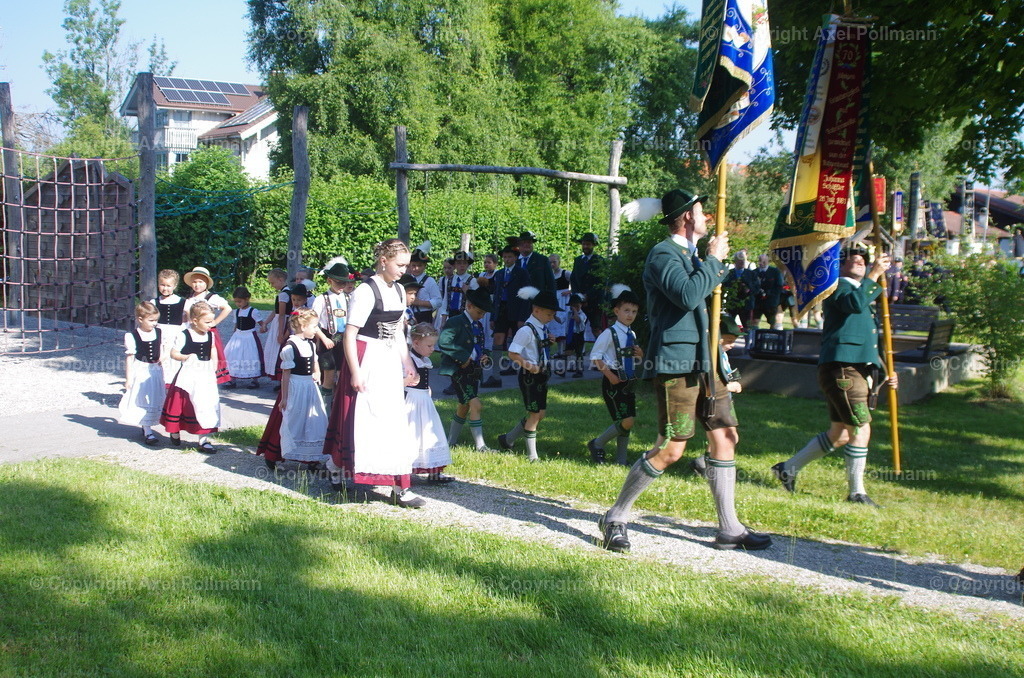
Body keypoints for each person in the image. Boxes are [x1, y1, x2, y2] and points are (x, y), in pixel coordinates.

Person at [597, 188, 771, 554]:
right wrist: (713, 261)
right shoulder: (663, 255)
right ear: (688, 216)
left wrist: (711, 262)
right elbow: (688, 295)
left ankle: (730, 528)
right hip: (677, 363)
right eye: (703, 212)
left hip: (706, 363)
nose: (709, 217)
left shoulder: (691, 256)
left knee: (725, 438)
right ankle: (615, 516)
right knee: (672, 448)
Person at [771, 246, 898, 507]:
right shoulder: (838, 286)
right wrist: (874, 275)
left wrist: (886, 371)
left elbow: (869, 341)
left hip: (853, 367)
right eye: (853, 259)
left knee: (840, 433)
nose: (860, 262)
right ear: (840, 266)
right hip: (843, 368)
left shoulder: (862, 291)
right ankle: (857, 493)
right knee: (861, 427)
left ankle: (787, 469)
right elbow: (852, 305)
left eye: (864, 261)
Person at [322, 239, 423, 508]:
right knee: (358, 417)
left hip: (389, 359)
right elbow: (350, 334)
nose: (404, 270)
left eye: (406, 265)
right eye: (400, 264)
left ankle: (400, 485)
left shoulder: (400, 290)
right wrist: (354, 372)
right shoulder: (365, 291)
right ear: (383, 261)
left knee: (393, 420)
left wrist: (408, 363)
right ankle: (336, 466)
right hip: (366, 358)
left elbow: (399, 331)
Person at [257, 308, 330, 468]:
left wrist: (317, 372)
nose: (316, 330)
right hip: (294, 388)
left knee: (313, 419)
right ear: (303, 327)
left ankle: (311, 458)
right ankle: (274, 455)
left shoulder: (310, 344)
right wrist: (284, 397)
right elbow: (286, 374)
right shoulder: (290, 347)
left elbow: (315, 360)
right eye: (314, 327)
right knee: (290, 420)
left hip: (309, 387)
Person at [497, 287, 559, 461]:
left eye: (553, 314)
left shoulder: (541, 328)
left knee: (540, 414)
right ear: (536, 310)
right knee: (534, 414)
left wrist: (547, 342)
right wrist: (530, 367)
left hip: (541, 374)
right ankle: (532, 456)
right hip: (530, 376)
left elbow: (535, 347)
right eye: (549, 314)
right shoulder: (526, 330)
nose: (551, 318)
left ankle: (508, 439)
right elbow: (512, 353)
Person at [587, 285, 643, 465]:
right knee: (625, 421)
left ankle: (621, 460)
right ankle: (597, 444)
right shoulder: (608, 333)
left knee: (627, 422)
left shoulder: (631, 334)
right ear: (616, 311)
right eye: (626, 310)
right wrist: (609, 375)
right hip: (613, 382)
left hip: (628, 382)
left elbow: (633, 360)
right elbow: (595, 356)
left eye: (634, 311)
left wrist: (640, 356)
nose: (630, 315)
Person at [439, 279, 495, 452]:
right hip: (459, 370)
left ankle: (451, 442)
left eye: (484, 313)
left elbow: (480, 344)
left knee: (464, 406)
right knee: (476, 404)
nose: (481, 316)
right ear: (469, 306)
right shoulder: (455, 322)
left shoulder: (477, 324)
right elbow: (444, 342)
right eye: (479, 312)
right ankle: (481, 446)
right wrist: (462, 357)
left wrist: (485, 354)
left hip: (473, 371)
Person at [160, 301, 220, 453]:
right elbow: (174, 353)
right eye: (207, 322)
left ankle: (203, 439)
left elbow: (213, 350)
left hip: (205, 375)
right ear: (194, 321)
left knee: (205, 404)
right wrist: (186, 357)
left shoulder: (210, 336)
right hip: (188, 375)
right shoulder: (184, 335)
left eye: (212, 321)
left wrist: (214, 367)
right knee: (184, 403)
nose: (211, 324)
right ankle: (175, 429)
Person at [407, 322, 454, 482]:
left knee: (431, 433)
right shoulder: (408, 360)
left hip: (425, 400)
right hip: (412, 401)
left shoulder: (424, 360)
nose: (432, 349)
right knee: (413, 433)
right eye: (429, 345)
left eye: (433, 345)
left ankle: (434, 470)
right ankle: (405, 469)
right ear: (416, 343)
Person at [118, 301, 165, 445]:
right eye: (151, 320)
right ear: (140, 319)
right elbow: (130, 358)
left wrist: (162, 358)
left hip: (155, 370)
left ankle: (152, 423)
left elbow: (161, 346)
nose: (154, 323)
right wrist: (128, 379)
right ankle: (147, 429)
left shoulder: (158, 332)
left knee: (156, 397)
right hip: (141, 370)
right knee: (143, 398)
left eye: (156, 320)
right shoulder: (133, 336)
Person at [311, 258, 355, 403]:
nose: (342, 286)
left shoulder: (349, 298)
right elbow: (313, 323)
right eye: (339, 282)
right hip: (327, 339)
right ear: (329, 281)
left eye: (345, 282)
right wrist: (324, 338)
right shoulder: (321, 299)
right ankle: (325, 410)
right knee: (328, 375)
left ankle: (339, 409)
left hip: (344, 340)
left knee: (343, 375)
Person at [182, 266, 232, 384]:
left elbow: (227, 308)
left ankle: (209, 378)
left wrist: (214, 322)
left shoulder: (211, 297)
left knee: (208, 356)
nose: (197, 285)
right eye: (194, 282)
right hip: (191, 331)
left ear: (206, 283)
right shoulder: (190, 298)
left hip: (206, 332)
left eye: (200, 282)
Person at [490, 244, 530, 378]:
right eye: (505, 257)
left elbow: (526, 295)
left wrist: (523, 317)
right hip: (501, 310)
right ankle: (496, 368)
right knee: (498, 337)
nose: (507, 260)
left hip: (516, 310)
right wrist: (492, 316)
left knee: (515, 338)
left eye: (510, 257)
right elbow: (496, 296)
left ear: (515, 258)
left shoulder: (522, 273)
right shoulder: (499, 273)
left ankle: (515, 365)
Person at [223, 286, 264, 389]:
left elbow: (261, 323)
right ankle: (232, 379)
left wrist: (263, 327)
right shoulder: (236, 312)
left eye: (240, 301)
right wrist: (234, 335)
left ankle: (254, 379)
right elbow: (236, 324)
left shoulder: (253, 311)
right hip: (238, 335)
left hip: (249, 336)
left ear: (247, 299)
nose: (238, 304)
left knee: (251, 356)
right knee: (233, 355)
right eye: (236, 302)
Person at [153, 269, 187, 384]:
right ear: (158, 284)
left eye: (168, 285)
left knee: (174, 359)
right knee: (160, 358)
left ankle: (173, 385)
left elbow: (191, 315)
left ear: (174, 286)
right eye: (162, 285)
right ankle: (160, 384)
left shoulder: (182, 302)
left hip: (175, 334)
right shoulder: (154, 302)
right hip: (159, 334)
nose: (165, 288)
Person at [570, 232, 606, 339]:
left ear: (593, 245)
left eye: (588, 244)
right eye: (584, 244)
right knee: (578, 326)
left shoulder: (599, 260)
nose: (585, 246)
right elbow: (574, 279)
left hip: (594, 300)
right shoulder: (577, 260)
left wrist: (587, 296)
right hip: (579, 300)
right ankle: (578, 352)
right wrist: (577, 296)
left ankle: (601, 350)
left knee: (596, 327)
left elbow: (601, 282)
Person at [260, 268, 289, 381]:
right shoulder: (283, 293)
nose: (271, 285)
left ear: (280, 280)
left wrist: (280, 332)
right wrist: (266, 322)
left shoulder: (284, 294)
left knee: (278, 348)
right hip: (279, 321)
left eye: (272, 282)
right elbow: (276, 310)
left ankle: (281, 377)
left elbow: (281, 314)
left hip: (281, 323)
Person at [478, 253, 502, 388]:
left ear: (495, 263)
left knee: (489, 331)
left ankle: (489, 354)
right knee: (482, 329)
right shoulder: (482, 274)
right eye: (485, 262)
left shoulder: (498, 275)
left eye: (489, 262)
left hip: (492, 302)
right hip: (483, 303)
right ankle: (483, 354)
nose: (487, 265)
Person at [407, 241, 442, 324]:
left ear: (425, 266)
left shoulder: (430, 281)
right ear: (410, 265)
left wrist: (420, 302)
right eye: (414, 265)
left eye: (419, 265)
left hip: (424, 315)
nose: (416, 268)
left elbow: (438, 301)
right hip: (408, 314)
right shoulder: (407, 279)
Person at [439, 250, 475, 327]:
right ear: (454, 265)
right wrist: (443, 321)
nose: (462, 266)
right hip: (451, 315)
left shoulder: (472, 281)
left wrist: (467, 292)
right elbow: (445, 300)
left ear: (468, 264)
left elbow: (476, 301)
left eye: (464, 263)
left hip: (466, 316)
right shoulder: (449, 280)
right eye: (459, 263)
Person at [750, 254, 785, 329]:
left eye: (764, 261)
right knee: (754, 321)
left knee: (772, 322)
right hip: (757, 302)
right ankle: (753, 339)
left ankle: (772, 337)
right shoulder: (754, 273)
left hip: (771, 302)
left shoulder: (775, 272)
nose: (762, 263)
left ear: (768, 262)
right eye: (760, 261)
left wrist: (769, 294)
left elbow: (779, 286)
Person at [549, 254, 572, 354]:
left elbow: (576, 283)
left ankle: (564, 350)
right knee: (555, 322)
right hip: (555, 300)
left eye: (554, 262)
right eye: (550, 262)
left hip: (564, 300)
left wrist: (570, 291)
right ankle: (559, 351)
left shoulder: (565, 273)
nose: (552, 264)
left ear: (559, 262)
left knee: (564, 323)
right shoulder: (549, 275)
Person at [560, 293, 588, 378]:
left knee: (578, 354)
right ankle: (562, 371)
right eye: (573, 306)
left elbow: (578, 320)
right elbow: (561, 320)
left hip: (578, 335)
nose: (575, 307)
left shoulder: (582, 314)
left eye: (577, 305)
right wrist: (554, 316)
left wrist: (575, 311)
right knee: (566, 352)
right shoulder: (568, 313)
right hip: (570, 335)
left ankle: (579, 371)